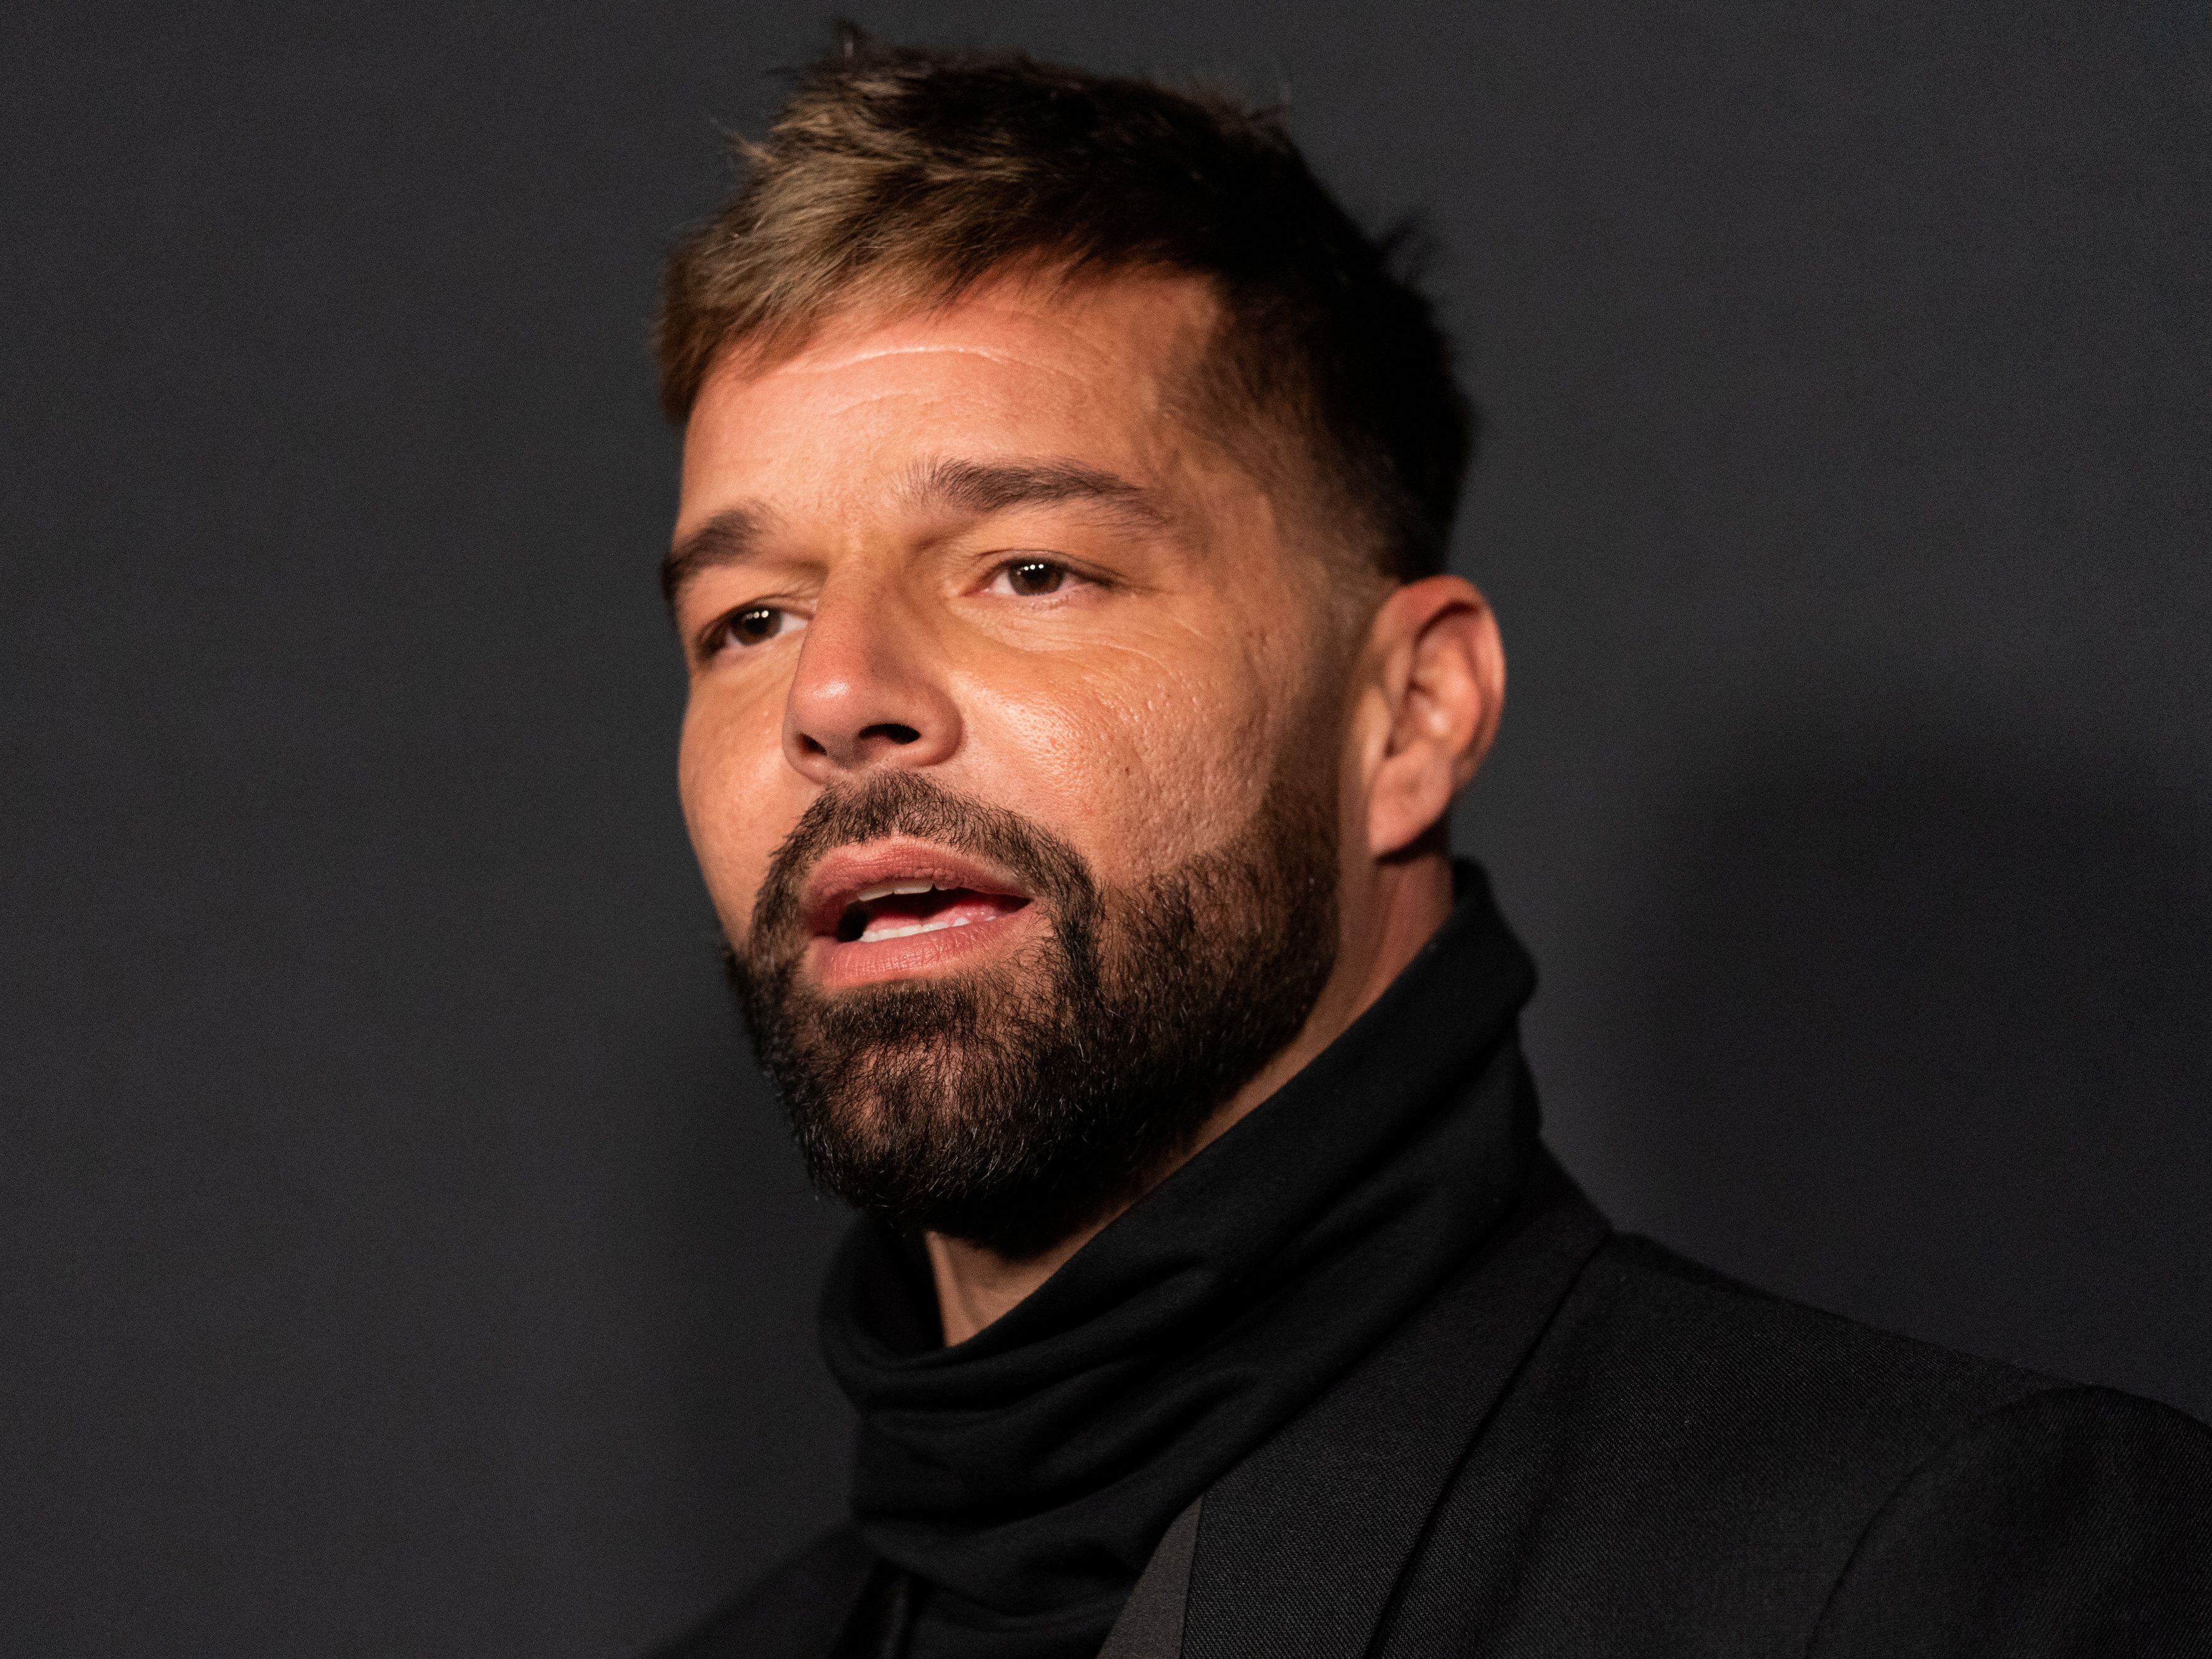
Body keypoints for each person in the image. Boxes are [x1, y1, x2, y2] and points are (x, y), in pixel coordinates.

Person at [645, 30, 2212, 1659]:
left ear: (1410, 716)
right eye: (750, 618)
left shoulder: (1941, 1570)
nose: (834, 696)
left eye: (1030, 570)